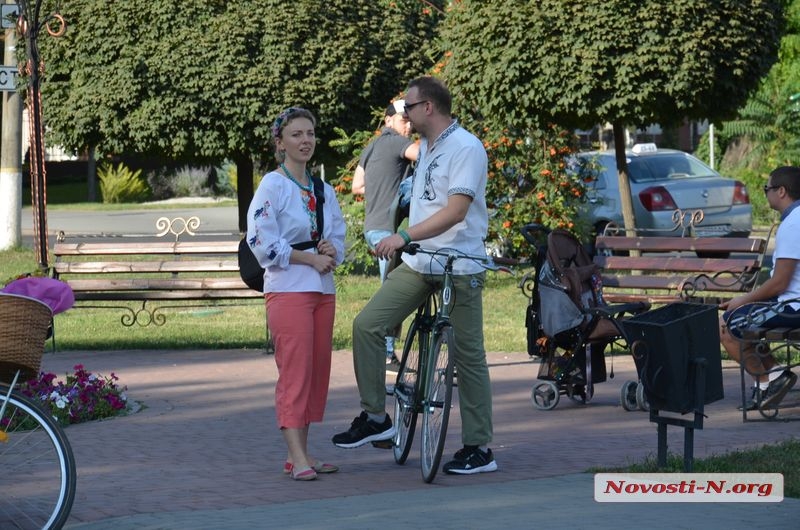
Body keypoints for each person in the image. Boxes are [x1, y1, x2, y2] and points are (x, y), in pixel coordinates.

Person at [332, 76, 497, 475]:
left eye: (408, 106)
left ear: (429, 108)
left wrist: (401, 235)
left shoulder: (466, 148)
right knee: (367, 325)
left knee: (469, 357)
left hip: (458, 266)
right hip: (420, 262)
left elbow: (457, 210)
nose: (402, 113)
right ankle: (376, 418)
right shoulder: (424, 148)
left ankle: (479, 448)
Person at [246, 107, 346, 481]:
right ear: (280, 142)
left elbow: (338, 233)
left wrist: (333, 250)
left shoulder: (323, 188)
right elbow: (261, 241)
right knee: (295, 372)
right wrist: (307, 258)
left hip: (322, 289)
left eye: (310, 133)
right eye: (296, 135)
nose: (305, 141)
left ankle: (300, 454)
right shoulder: (273, 185)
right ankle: (297, 457)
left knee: (316, 371)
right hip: (289, 291)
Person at [720, 165, 800, 410]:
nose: (765, 193)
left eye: (767, 188)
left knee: (726, 325)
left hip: (792, 307)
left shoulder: (793, 224)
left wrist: (742, 300)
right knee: (747, 321)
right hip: (789, 303)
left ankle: (768, 379)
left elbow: (780, 282)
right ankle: (772, 377)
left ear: (782, 191)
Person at [352, 99, 419, 363]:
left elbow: (357, 185)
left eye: (412, 120)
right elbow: (426, 156)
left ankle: (386, 352)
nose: (410, 125)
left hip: (374, 226)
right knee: (392, 294)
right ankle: (385, 354)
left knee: (391, 290)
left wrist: (383, 190)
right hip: (387, 229)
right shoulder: (394, 140)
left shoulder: (371, 147)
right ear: (388, 120)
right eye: (404, 120)